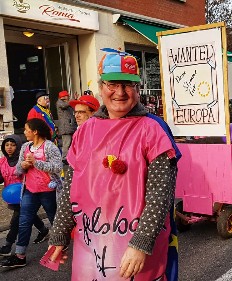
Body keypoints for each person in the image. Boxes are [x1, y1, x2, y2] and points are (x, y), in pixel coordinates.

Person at [47, 49, 180, 280]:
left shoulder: (153, 129)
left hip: (137, 249)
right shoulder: (85, 130)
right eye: (112, 84)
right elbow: (70, 186)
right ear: (101, 87)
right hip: (91, 244)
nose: (120, 92)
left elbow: (161, 193)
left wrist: (141, 244)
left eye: (128, 85)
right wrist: (59, 234)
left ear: (137, 89)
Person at [0, 119, 62, 268]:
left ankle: (60, 245)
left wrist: (36, 162)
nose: (25, 132)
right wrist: (23, 165)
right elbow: (18, 171)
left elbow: (57, 167)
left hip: (48, 190)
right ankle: (20, 256)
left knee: (55, 220)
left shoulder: (49, 147)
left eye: (27, 129)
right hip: (30, 190)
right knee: (24, 222)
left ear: (35, 131)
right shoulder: (26, 147)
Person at [0, 135, 49, 257]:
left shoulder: (23, 160)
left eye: (13, 144)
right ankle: (44, 230)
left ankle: (7, 245)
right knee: (28, 216)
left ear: (18, 146)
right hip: (11, 196)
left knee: (16, 220)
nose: (9, 147)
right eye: (7, 145)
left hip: (26, 193)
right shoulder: (2, 162)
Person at [56, 90, 77, 164]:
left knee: (71, 143)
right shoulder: (60, 103)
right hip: (65, 127)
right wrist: (73, 100)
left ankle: (70, 157)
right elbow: (65, 105)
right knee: (66, 143)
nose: (68, 96)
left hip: (70, 126)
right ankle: (64, 158)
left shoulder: (67, 103)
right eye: (67, 95)